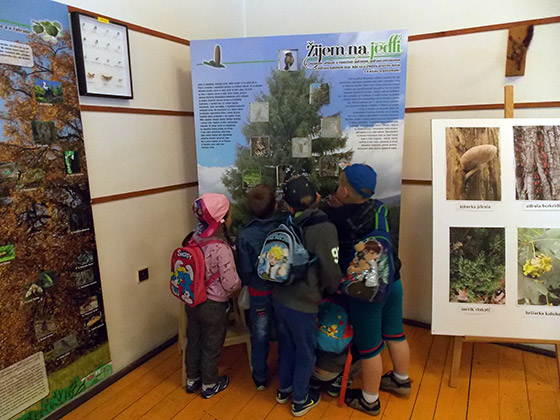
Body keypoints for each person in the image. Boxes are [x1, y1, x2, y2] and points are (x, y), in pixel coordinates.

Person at [327, 163, 411, 416]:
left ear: (343, 191)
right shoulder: (379, 208)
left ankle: (369, 400)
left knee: (370, 348)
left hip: (367, 291)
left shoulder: (338, 219)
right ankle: (400, 379)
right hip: (392, 280)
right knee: (395, 333)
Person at [273, 176, 341, 417]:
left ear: (289, 207)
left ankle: (284, 389)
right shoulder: (325, 228)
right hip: (303, 304)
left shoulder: (285, 223)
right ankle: (300, 399)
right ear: (318, 198)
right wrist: (334, 289)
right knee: (305, 349)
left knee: (287, 345)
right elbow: (330, 270)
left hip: (279, 298)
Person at [184, 192, 241, 398]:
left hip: (192, 302)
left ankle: (192, 379)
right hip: (213, 306)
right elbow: (230, 283)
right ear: (222, 220)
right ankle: (209, 384)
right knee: (212, 345)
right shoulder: (221, 248)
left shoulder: (194, 238)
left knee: (194, 340)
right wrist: (240, 283)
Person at [234, 184, 281, 390]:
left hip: (259, 292)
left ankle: (260, 377)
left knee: (259, 334)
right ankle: (286, 374)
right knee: (284, 330)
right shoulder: (284, 227)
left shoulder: (244, 235)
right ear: (276, 206)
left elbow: (244, 270)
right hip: (283, 292)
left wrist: (247, 282)